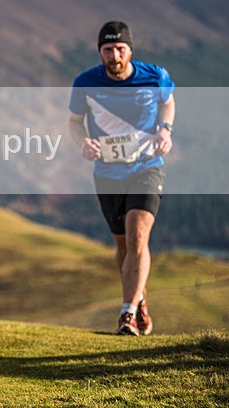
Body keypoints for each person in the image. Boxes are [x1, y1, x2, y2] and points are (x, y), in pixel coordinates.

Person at [69, 21, 175, 336]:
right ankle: (138, 297)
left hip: (146, 166)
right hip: (107, 172)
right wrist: (83, 143)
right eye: (108, 49)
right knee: (123, 245)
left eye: (120, 49)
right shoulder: (85, 82)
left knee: (138, 236)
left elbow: (168, 104)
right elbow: (75, 122)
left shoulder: (155, 76)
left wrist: (165, 130)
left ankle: (127, 313)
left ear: (130, 49)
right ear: (99, 51)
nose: (115, 55)